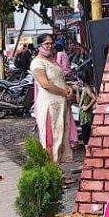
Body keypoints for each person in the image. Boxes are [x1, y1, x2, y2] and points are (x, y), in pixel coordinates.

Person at [30, 33, 76, 175]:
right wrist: (64, 92)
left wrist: (69, 90)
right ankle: (52, 174)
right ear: (39, 46)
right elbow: (45, 84)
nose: (49, 46)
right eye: (46, 44)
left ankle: (59, 173)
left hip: (62, 104)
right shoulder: (37, 63)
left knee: (61, 136)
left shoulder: (52, 60)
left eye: (51, 43)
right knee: (51, 138)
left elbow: (60, 79)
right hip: (50, 105)